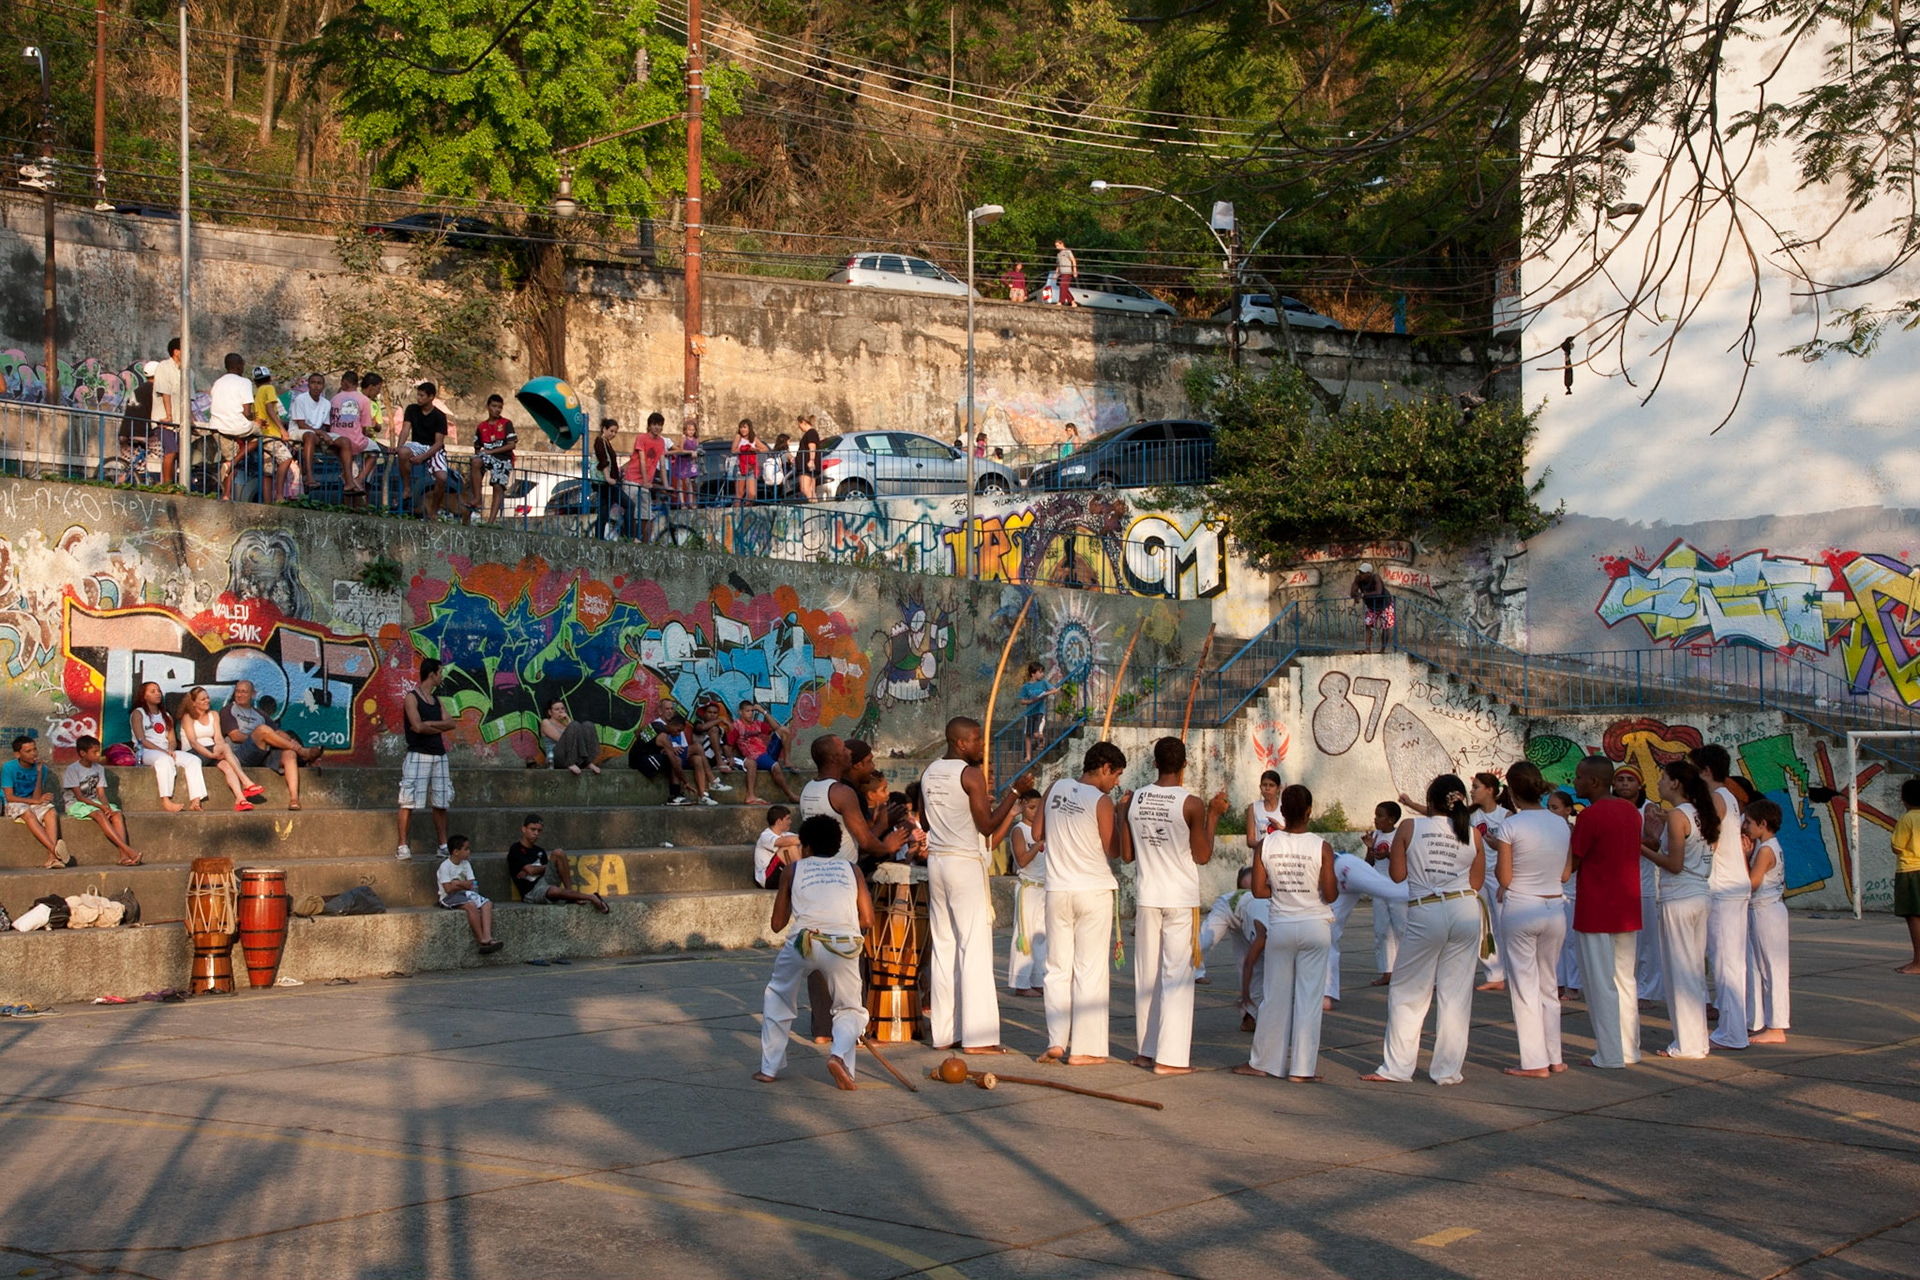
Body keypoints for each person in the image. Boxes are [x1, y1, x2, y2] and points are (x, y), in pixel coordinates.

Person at [1362, 774, 1487, 1086]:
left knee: (1408, 990)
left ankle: (1398, 1068)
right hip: (1465, 909)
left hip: (1427, 908)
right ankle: (1447, 1071)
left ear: (1430, 801)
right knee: (1456, 994)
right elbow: (1476, 883)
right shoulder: (1473, 834)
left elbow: (1397, 875)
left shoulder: (1410, 827)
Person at [921, 717, 1032, 1055]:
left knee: (944, 946)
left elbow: (926, 819)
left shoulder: (929, 771)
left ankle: (944, 1033)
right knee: (975, 947)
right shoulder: (970, 774)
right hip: (963, 863)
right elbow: (986, 827)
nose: (980, 745)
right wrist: (1015, 793)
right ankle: (979, 1037)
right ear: (960, 743)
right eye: (975, 740)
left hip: (937, 860)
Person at [1123, 737, 1228, 1075]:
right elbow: (1202, 855)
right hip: (1179, 897)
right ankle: (1169, 1058)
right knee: (1176, 976)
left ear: (1154, 763)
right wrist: (1213, 815)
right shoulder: (1192, 803)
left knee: (1148, 976)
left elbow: (1127, 854)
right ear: (1185, 765)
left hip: (1148, 895)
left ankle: (1146, 1051)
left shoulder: (1135, 798)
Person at [754, 814, 876, 1091]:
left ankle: (768, 1069)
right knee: (849, 1008)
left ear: (805, 847)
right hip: (843, 944)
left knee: (778, 996)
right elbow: (867, 920)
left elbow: (776, 925)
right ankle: (838, 1056)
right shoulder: (853, 870)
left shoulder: (793, 870)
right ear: (836, 846)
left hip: (803, 942)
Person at [802, 735, 908, 1040]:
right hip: (840, 880)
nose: (849, 752)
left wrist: (880, 826)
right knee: (849, 954)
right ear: (836, 758)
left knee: (816, 951)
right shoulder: (843, 793)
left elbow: (849, 836)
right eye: (844, 749)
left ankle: (822, 1030)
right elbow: (864, 842)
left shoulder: (810, 790)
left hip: (813, 877)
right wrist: (886, 844)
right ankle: (850, 1028)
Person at [1233, 783, 1338, 1081]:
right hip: (1314, 926)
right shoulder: (1321, 846)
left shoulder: (1267, 845)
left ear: (1284, 812)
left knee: (1274, 997)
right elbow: (1331, 895)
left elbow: (1257, 890)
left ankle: (1264, 1063)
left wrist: (1282, 889)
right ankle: (1302, 1070)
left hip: (1280, 925)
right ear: (1309, 811)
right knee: (1309, 999)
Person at [1033, 741, 1127, 1065]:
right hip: (1093, 890)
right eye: (1115, 775)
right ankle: (1085, 1049)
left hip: (1058, 890)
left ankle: (1056, 1041)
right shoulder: (1102, 801)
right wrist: (1121, 814)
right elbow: (1113, 849)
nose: (1116, 783)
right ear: (1104, 768)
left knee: (1056, 969)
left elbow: (1036, 833)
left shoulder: (1054, 788)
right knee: (1090, 970)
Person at [1492, 761, 1572, 1077]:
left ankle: (1534, 1061)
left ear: (1510, 790)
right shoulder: (1561, 824)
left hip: (1522, 907)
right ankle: (1555, 1057)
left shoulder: (1511, 826)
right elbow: (1566, 873)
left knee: (1525, 986)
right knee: (1548, 985)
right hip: (1554, 907)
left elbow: (1505, 877)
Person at [1570, 756, 1646, 1068]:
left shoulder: (1590, 816)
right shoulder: (1630, 811)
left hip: (1596, 908)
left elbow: (1574, 861)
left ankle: (1610, 1053)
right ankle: (1630, 1049)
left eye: (1578, 777)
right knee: (1625, 981)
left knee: (1600, 983)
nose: (1575, 782)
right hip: (1627, 907)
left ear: (1595, 782)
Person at [1644, 760, 1717, 1058]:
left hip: (1680, 897)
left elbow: (1673, 865)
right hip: (1699, 894)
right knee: (1693, 970)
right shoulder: (1699, 814)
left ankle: (1687, 1044)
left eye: (1663, 778)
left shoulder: (1679, 816)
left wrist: (1641, 849)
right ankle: (1696, 1041)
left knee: (1680, 972)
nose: (1659, 782)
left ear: (1675, 783)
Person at [1689, 744, 1751, 1051]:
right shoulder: (1729, 796)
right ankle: (1734, 1028)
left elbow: (1708, 843)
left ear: (1706, 771)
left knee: (1726, 962)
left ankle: (1732, 1031)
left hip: (1723, 887)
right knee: (1731, 961)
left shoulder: (1717, 797)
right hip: (1732, 886)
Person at [1324, 837, 1411, 1008]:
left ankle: (1433, 892)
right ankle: (1327, 993)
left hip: (1344, 869)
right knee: (1326, 934)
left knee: (1391, 891)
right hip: (1337, 882)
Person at [219, 680, 324, 809]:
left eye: (244, 692)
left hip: (261, 754)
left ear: (253, 694)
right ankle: (303, 752)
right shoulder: (228, 710)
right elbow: (235, 736)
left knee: (289, 753)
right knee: (262, 730)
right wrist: (259, 737)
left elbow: (278, 732)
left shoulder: (260, 714)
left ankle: (294, 799)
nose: (240, 695)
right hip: (239, 755)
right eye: (238, 691)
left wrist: (291, 742)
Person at [1612, 765, 1664, 1002]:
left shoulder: (1649, 809)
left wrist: (1624, 839)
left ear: (1640, 785)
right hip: (1615, 885)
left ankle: (1647, 990)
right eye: (1620, 780)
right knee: (1619, 943)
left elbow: (1655, 843)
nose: (1624, 784)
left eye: (1629, 780)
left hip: (1643, 885)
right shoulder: (1609, 807)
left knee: (1646, 944)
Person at [397, 658, 458, 862]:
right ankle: (403, 845)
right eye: (440, 672)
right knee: (408, 801)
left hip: (439, 756)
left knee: (441, 802)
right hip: (418, 754)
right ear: (431, 674)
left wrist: (430, 723)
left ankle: (442, 845)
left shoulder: (437, 700)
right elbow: (417, 726)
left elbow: (451, 723)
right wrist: (434, 726)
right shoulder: (411, 698)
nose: (442, 676)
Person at [1743, 797, 1790, 1043]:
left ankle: (1777, 1026)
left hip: (1766, 911)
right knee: (1759, 967)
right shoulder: (1767, 846)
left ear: (1762, 824)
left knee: (1772, 968)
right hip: (1764, 910)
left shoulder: (1766, 849)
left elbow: (1752, 882)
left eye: (1749, 823)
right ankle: (1759, 1020)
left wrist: (1742, 858)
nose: (1745, 827)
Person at [178, 686, 264, 811]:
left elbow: (218, 737)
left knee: (227, 765)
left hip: (211, 751)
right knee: (224, 747)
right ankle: (246, 782)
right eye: (202, 699)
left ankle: (240, 799)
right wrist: (211, 754)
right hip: (193, 754)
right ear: (193, 703)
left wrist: (220, 751)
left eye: (207, 698)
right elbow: (193, 742)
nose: (207, 701)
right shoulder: (188, 717)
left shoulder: (213, 715)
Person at [1198, 867, 1264, 1029]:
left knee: (1258, 967)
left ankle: (1250, 1016)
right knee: (1205, 940)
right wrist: (1245, 994)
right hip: (1228, 908)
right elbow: (1249, 962)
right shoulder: (1266, 924)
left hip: (1249, 917)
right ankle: (1185, 969)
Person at [130, 680, 207, 812]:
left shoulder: (166, 716)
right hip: (146, 751)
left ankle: (195, 800)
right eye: (152, 691)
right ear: (144, 696)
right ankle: (166, 801)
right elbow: (141, 739)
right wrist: (163, 752)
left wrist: (170, 750)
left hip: (166, 751)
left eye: (159, 691)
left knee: (194, 760)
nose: (158, 694)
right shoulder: (138, 713)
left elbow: (172, 740)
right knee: (164, 760)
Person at [63, 736, 141, 865]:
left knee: (116, 814)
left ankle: (123, 856)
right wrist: (100, 808)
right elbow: (79, 797)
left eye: (98, 751)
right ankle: (127, 849)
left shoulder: (99, 769)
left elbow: (101, 794)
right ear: (83, 753)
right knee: (99, 814)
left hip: (94, 801)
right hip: (76, 804)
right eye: (94, 752)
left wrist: (106, 806)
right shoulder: (73, 769)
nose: (98, 755)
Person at [507, 814, 610, 911]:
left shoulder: (540, 851)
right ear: (524, 829)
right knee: (552, 890)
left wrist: (535, 869)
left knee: (558, 853)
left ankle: (570, 893)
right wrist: (535, 869)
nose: (536, 833)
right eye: (533, 829)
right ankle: (591, 897)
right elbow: (532, 870)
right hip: (531, 892)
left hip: (544, 881)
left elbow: (538, 871)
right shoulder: (515, 849)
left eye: (539, 831)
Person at [1007, 788, 1048, 997]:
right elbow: (1022, 859)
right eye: (1032, 807)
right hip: (1028, 887)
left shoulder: (1045, 830)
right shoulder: (1019, 830)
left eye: (1039, 808)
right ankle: (1021, 983)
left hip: (1045, 888)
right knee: (1025, 935)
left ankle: (1038, 979)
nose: (1036, 811)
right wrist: (1039, 844)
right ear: (1023, 806)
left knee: (1041, 937)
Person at [6, 735, 70, 868]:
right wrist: (35, 801)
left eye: (34, 749)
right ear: (17, 754)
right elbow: (9, 797)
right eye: (28, 751)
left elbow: (37, 795)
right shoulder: (9, 768)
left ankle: (51, 858)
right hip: (14, 803)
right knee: (28, 813)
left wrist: (39, 772)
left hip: (32, 801)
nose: (33, 753)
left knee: (51, 812)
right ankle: (54, 850)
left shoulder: (42, 768)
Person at [397, 381, 455, 520]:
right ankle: (406, 488)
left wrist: (423, 457)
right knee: (403, 452)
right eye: (418, 395)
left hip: (434, 448)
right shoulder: (412, 409)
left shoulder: (439, 416)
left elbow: (438, 442)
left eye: (422, 396)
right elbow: (405, 429)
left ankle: (433, 511)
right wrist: (400, 446)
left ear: (431, 397)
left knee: (442, 478)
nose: (419, 398)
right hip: (417, 444)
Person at [437, 836, 502, 953]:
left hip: (464, 893)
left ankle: (488, 936)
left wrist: (458, 883)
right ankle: (480, 938)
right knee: (470, 905)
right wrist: (463, 884)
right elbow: (448, 888)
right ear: (456, 852)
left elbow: (472, 884)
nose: (469, 851)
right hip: (448, 897)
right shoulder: (445, 866)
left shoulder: (466, 864)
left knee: (487, 904)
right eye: (466, 849)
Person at [207, 353, 258, 501]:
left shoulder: (217, 382)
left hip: (217, 426)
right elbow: (247, 411)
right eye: (242, 365)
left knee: (230, 459)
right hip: (236, 425)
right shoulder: (244, 382)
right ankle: (232, 463)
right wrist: (255, 421)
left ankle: (226, 494)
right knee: (258, 436)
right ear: (238, 366)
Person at [1367, 800, 1406, 985]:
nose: (1376, 819)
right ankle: (1387, 970)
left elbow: (1405, 860)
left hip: (1398, 887)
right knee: (1382, 930)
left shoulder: (1400, 835)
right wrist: (1369, 847)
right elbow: (1369, 864)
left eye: (1380, 816)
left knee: (1402, 929)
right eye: (1375, 815)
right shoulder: (1376, 835)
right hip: (1379, 885)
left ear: (1391, 819)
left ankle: (1406, 970)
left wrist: (1389, 854)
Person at [731, 701, 798, 804]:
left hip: (766, 753)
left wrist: (763, 712)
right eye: (747, 711)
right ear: (740, 712)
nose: (750, 713)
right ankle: (790, 794)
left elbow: (776, 727)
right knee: (775, 766)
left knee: (784, 730)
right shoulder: (736, 725)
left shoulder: (757, 724)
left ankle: (787, 761)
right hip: (755, 757)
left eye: (752, 711)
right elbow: (728, 743)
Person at [326, 370, 376, 502]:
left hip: (337, 441)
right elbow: (364, 425)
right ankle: (360, 478)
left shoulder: (334, 399)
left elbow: (330, 421)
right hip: (356, 440)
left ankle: (347, 507)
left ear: (345, 383)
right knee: (376, 451)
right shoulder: (364, 400)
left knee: (348, 475)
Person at [249, 366, 296, 503]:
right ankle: (280, 495)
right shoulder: (269, 389)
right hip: (271, 433)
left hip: (262, 434)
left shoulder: (257, 393)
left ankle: (267, 502)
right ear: (269, 379)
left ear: (255, 381)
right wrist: (282, 429)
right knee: (286, 459)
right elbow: (269, 408)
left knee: (268, 471)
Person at [469, 394, 517, 523]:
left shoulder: (506, 423)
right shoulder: (481, 427)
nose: (497, 409)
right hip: (488, 457)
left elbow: (512, 444)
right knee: (475, 461)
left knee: (498, 486)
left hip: (503, 458)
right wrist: (483, 453)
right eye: (494, 406)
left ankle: (491, 521)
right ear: (488, 407)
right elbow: (477, 447)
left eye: (499, 407)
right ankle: (477, 499)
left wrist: (492, 451)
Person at [285, 372, 331, 497]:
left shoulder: (326, 403)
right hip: (297, 432)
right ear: (309, 385)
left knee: (343, 441)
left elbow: (324, 425)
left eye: (319, 383)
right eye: (313, 383)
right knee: (310, 435)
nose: (316, 386)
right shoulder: (301, 399)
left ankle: (348, 479)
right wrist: (319, 433)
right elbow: (301, 424)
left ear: (323, 386)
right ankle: (309, 476)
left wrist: (323, 435)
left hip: (315, 433)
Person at [629, 714, 694, 802]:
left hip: (635, 756)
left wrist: (649, 746)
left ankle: (676, 795)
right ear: (671, 724)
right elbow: (674, 763)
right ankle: (675, 796)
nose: (678, 734)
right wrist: (686, 781)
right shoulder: (664, 738)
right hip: (640, 759)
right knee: (677, 761)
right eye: (678, 730)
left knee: (673, 759)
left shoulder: (656, 725)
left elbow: (637, 732)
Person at [628, 412, 669, 541]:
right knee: (632, 511)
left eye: (659, 425)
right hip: (633, 478)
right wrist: (645, 481)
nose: (657, 428)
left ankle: (642, 540)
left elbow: (662, 464)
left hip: (647, 482)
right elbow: (642, 460)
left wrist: (666, 484)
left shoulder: (661, 442)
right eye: (654, 424)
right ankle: (632, 538)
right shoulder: (642, 438)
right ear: (650, 426)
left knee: (646, 514)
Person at [661, 712, 718, 805]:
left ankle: (703, 795)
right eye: (678, 730)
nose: (678, 733)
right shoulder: (660, 729)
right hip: (669, 756)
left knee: (698, 759)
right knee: (697, 747)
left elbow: (684, 746)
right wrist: (671, 749)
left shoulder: (679, 731)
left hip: (680, 754)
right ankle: (712, 779)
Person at [149, 338, 183, 484]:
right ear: (176, 352)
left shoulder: (188, 372)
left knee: (183, 454)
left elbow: (188, 399)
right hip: (164, 420)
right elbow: (165, 393)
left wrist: (191, 421)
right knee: (171, 451)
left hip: (179, 421)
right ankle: (166, 484)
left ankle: (178, 483)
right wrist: (169, 415)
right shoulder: (164, 367)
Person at [1895, 778, 1920, 975]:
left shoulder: (1907, 818)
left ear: (1905, 799)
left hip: (1911, 871)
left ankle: (1918, 962)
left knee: (1914, 917)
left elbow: (1897, 846)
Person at [591, 417, 631, 538]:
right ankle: (629, 536)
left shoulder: (606, 442)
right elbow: (603, 461)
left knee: (603, 512)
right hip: (606, 483)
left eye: (615, 432)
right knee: (629, 505)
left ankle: (599, 538)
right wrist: (608, 478)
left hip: (607, 483)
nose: (613, 434)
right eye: (611, 431)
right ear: (604, 429)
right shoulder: (600, 441)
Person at [540, 700, 601, 775]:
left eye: (562, 709)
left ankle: (587, 762)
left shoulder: (567, 724)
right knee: (575, 725)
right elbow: (561, 740)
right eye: (557, 709)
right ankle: (570, 763)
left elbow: (578, 740)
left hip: (573, 758)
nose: (561, 711)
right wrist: (571, 725)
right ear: (550, 712)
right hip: (555, 759)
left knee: (588, 725)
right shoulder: (546, 722)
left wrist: (568, 721)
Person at [690, 695, 734, 788]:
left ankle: (720, 761)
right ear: (704, 714)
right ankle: (719, 761)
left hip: (717, 758)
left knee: (748, 763)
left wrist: (730, 757)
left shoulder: (720, 729)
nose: (712, 715)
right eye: (709, 712)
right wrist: (720, 719)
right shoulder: (698, 723)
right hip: (703, 757)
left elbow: (725, 745)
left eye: (715, 713)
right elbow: (702, 728)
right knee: (713, 729)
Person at [1351, 562, 1395, 654]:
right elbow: (1353, 592)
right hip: (1371, 605)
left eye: (1363, 573)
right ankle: (1367, 649)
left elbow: (1378, 592)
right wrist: (1356, 596)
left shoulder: (1375, 577)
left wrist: (1362, 594)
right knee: (1368, 625)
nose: (1360, 575)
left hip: (1385, 604)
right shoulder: (1358, 579)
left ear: (1369, 574)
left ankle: (1383, 650)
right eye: (1360, 572)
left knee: (1385, 627)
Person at [754, 805, 800, 890]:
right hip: (767, 879)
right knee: (789, 847)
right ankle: (803, 878)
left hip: (781, 874)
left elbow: (799, 840)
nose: (790, 821)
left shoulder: (787, 834)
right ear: (779, 822)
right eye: (788, 819)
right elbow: (789, 841)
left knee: (802, 847)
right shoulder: (765, 836)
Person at [1017, 663, 1056, 760]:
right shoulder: (1026, 686)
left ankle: (1042, 740)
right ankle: (1028, 756)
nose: (1042, 674)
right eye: (1040, 672)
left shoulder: (1043, 683)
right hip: (1029, 712)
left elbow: (1054, 690)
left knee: (1036, 733)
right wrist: (1031, 701)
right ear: (1033, 673)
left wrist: (1044, 694)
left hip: (1039, 711)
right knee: (1028, 735)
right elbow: (1022, 700)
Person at [1246, 770, 1284, 850]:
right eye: (1264, 785)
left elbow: (1291, 834)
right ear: (1260, 787)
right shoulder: (1253, 808)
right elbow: (1250, 840)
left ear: (1278, 788)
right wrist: (1265, 846)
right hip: (1260, 856)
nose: (1267, 788)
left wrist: (1279, 827)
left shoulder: (1285, 807)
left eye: (1271, 785)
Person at [671, 420, 701, 509]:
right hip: (681, 461)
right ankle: (682, 503)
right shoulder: (683, 437)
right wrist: (690, 452)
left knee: (689, 482)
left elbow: (697, 449)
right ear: (685, 430)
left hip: (689, 462)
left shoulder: (696, 440)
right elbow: (681, 450)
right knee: (680, 483)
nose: (691, 432)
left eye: (693, 430)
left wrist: (695, 455)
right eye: (689, 430)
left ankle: (691, 503)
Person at [731, 418, 759, 507]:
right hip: (741, 468)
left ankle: (746, 511)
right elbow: (733, 450)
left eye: (745, 427)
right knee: (740, 494)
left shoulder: (753, 438)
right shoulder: (738, 437)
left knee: (752, 494)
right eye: (741, 427)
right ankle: (736, 513)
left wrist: (755, 449)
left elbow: (765, 448)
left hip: (751, 469)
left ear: (749, 428)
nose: (742, 429)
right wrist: (745, 449)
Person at [795, 414, 822, 501]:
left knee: (805, 488)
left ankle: (813, 504)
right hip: (807, 464)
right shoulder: (812, 433)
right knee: (811, 490)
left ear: (802, 422)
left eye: (799, 424)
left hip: (806, 465)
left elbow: (812, 447)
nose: (799, 427)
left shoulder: (810, 433)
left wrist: (811, 460)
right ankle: (814, 503)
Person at [1053, 239, 1078, 306]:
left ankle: (1061, 301)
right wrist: (1056, 273)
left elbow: (1073, 260)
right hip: (1062, 272)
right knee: (1064, 287)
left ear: (1062, 244)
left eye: (1058, 245)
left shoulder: (1067, 251)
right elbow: (1058, 265)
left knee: (1062, 285)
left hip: (1067, 272)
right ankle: (1072, 302)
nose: (1057, 247)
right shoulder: (1058, 254)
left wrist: (1074, 270)